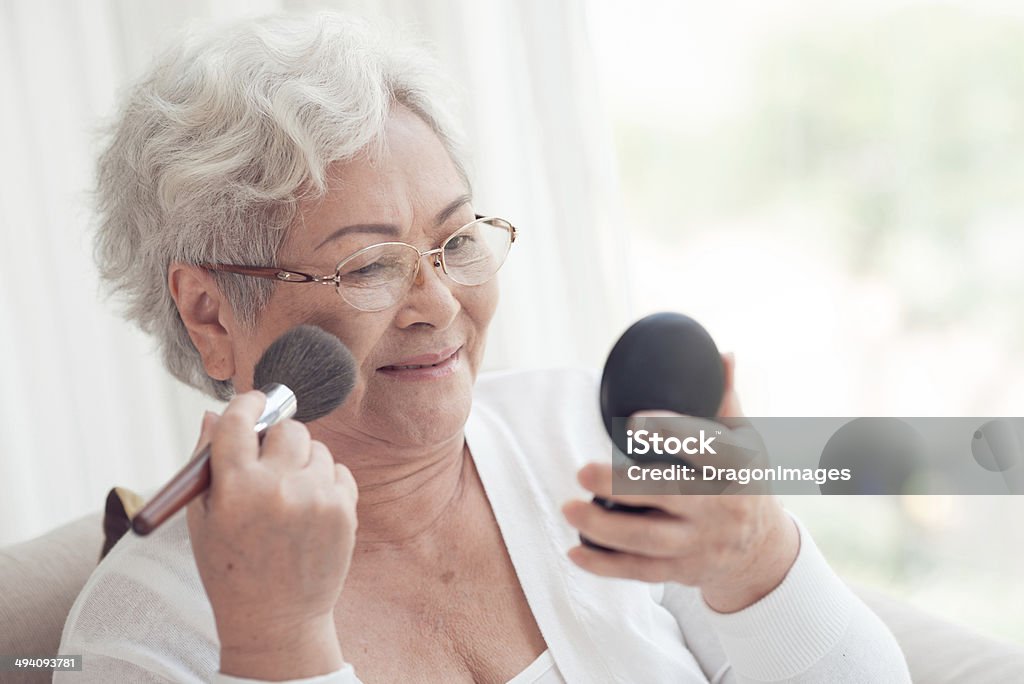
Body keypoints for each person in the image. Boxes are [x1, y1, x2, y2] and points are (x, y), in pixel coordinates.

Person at [58, 12, 910, 684]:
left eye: (457, 240)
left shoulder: (582, 435)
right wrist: (276, 648)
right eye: (370, 264)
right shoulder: (139, 635)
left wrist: (760, 557)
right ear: (211, 313)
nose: (437, 303)